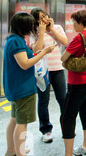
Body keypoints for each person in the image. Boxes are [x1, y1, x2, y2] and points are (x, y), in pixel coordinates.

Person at [3, 12, 55, 156]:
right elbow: (25, 64)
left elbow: (25, 59)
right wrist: (44, 52)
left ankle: (12, 150)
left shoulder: (13, 40)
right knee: (22, 123)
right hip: (23, 88)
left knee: (15, 119)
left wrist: (37, 53)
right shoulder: (17, 42)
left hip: (15, 86)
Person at [59, 10, 86, 156]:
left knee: (67, 117)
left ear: (81, 22)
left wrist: (65, 61)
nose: (73, 24)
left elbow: (64, 57)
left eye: (74, 22)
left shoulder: (79, 37)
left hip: (77, 83)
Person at [29, 8, 68, 143]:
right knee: (43, 101)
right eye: (40, 18)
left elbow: (65, 42)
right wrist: (41, 33)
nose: (44, 19)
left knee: (63, 99)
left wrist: (52, 30)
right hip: (42, 71)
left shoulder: (57, 27)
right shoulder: (34, 32)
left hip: (57, 69)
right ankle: (46, 130)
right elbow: (36, 50)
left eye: (45, 16)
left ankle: (66, 126)